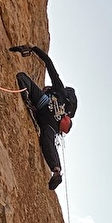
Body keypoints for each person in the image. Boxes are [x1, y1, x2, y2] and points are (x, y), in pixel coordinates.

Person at [9, 44, 78, 190]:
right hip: (48, 124)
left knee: (22, 77)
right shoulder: (61, 110)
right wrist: (56, 169)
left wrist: (33, 49)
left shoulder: (59, 89)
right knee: (47, 140)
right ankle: (56, 171)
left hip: (41, 104)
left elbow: (49, 64)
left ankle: (27, 100)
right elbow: (50, 146)